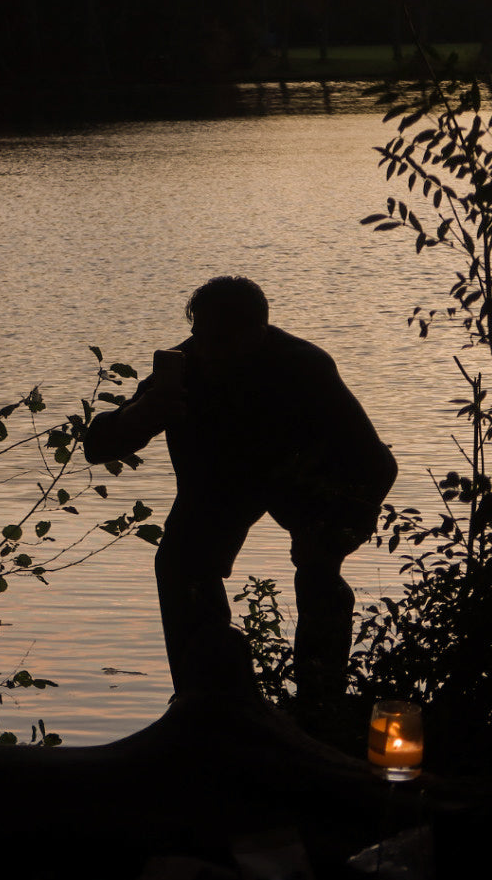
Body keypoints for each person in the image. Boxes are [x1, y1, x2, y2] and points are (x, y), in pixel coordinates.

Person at [83, 276, 396, 709]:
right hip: (218, 482)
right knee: (180, 564)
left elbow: (375, 462)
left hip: (303, 479)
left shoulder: (304, 367)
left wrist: (340, 531)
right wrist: (143, 413)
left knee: (319, 573)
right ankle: (204, 700)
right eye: (200, 336)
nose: (208, 351)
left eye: (222, 340)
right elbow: (97, 447)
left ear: (258, 332)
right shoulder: (181, 369)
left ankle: (319, 702)